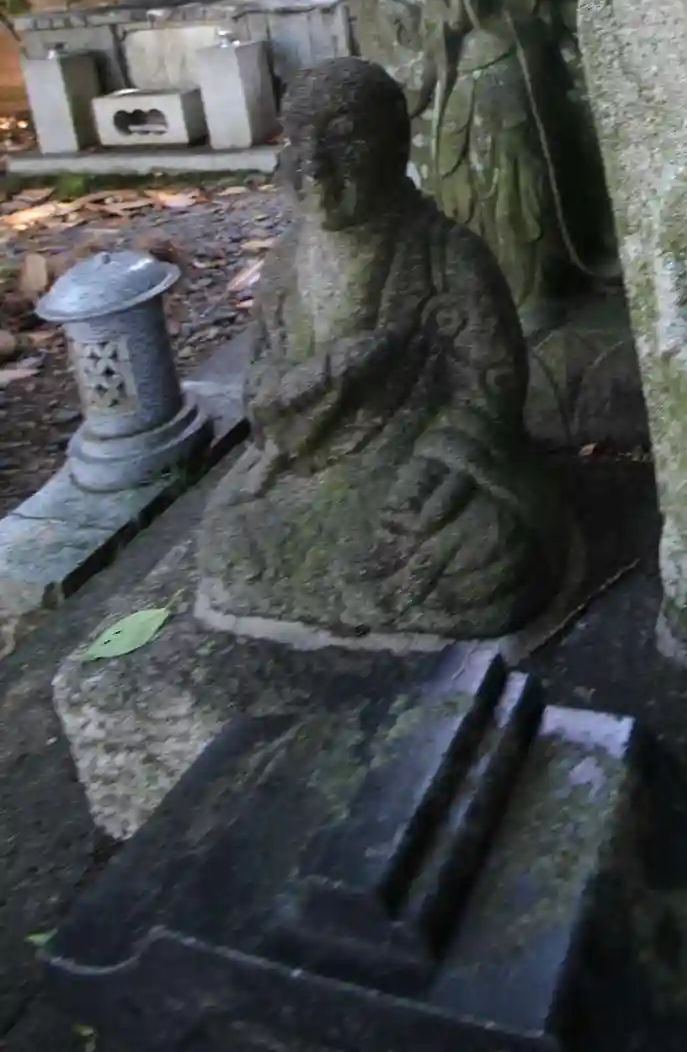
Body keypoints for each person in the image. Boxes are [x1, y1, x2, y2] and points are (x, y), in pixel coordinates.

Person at [196, 58, 566, 642]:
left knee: (490, 548)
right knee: (226, 539)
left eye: (343, 138)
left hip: (413, 463)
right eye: (298, 140)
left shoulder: (447, 256)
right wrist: (313, 381)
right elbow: (264, 376)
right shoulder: (285, 263)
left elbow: (490, 382)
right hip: (309, 460)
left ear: (394, 147)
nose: (315, 162)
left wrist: (433, 472)